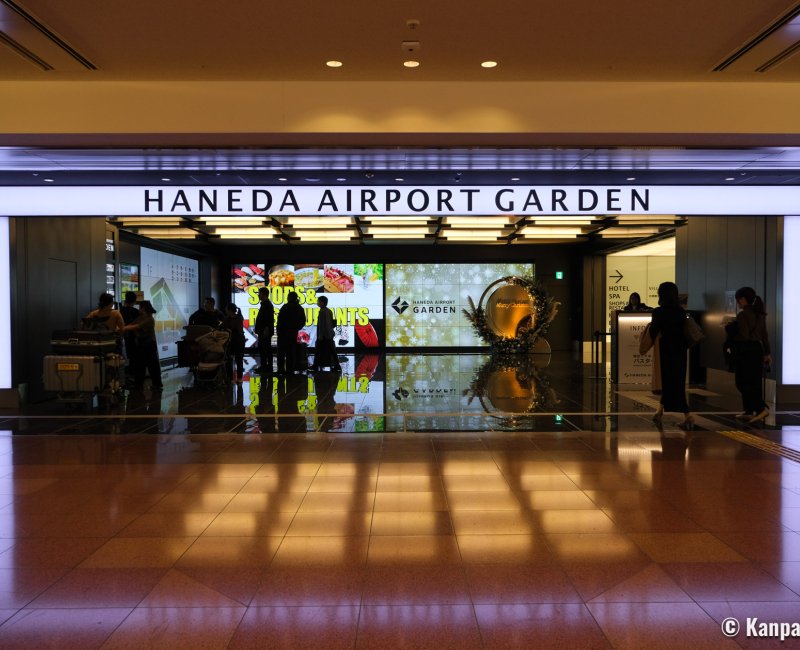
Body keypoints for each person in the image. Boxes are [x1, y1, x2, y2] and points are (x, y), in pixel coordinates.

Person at [649, 281, 694, 429]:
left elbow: (653, 331)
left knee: (668, 383)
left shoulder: (658, 312)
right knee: (676, 382)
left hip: (665, 351)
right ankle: (659, 411)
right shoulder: (681, 311)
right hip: (680, 352)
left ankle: (688, 415)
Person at [731, 286, 772, 423]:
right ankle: (749, 410)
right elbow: (765, 336)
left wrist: (730, 330)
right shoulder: (760, 314)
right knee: (753, 381)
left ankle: (760, 409)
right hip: (757, 350)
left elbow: (743, 336)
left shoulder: (742, 315)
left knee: (741, 382)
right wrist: (767, 353)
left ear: (743, 299)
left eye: (738, 300)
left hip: (745, 350)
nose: (738, 303)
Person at [122, 300, 163, 390]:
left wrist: (122, 328)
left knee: (152, 365)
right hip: (141, 344)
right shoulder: (140, 317)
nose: (139, 309)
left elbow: (136, 327)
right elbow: (132, 325)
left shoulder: (149, 319)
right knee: (140, 365)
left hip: (149, 344)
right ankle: (138, 384)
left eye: (140, 307)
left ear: (143, 308)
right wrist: (124, 328)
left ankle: (157, 384)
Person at [276, 291, 306, 375]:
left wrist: (279, 330)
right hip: (293, 333)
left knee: (281, 353)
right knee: (291, 352)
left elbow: (280, 320)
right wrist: (296, 328)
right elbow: (303, 321)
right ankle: (290, 370)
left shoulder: (285, 307)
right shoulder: (300, 308)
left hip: (283, 332)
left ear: (289, 297)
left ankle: (281, 370)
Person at [311, 295, 341, 372]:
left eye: (318, 301)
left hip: (325, 335)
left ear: (322, 302)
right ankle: (336, 365)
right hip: (327, 335)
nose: (317, 302)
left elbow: (324, 325)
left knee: (319, 350)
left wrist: (321, 335)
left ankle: (316, 366)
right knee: (331, 350)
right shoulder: (328, 310)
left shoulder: (323, 311)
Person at [253, 287, 274, 374]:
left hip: (265, 331)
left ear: (264, 294)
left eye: (259, 293)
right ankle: (265, 366)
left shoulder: (267, 305)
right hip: (263, 331)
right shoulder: (265, 304)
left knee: (265, 349)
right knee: (264, 348)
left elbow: (269, 319)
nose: (258, 295)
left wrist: (266, 329)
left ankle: (266, 367)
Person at [223, 302, 246, 382]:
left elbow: (235, 329)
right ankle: (232, 377)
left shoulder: (238, 318)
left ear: (229, 310)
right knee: (231, 359)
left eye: (226, 309)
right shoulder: (229, 318)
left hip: (237, 341)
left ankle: (238, 378)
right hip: (234, 341)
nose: (225, 311)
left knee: (238, 359)